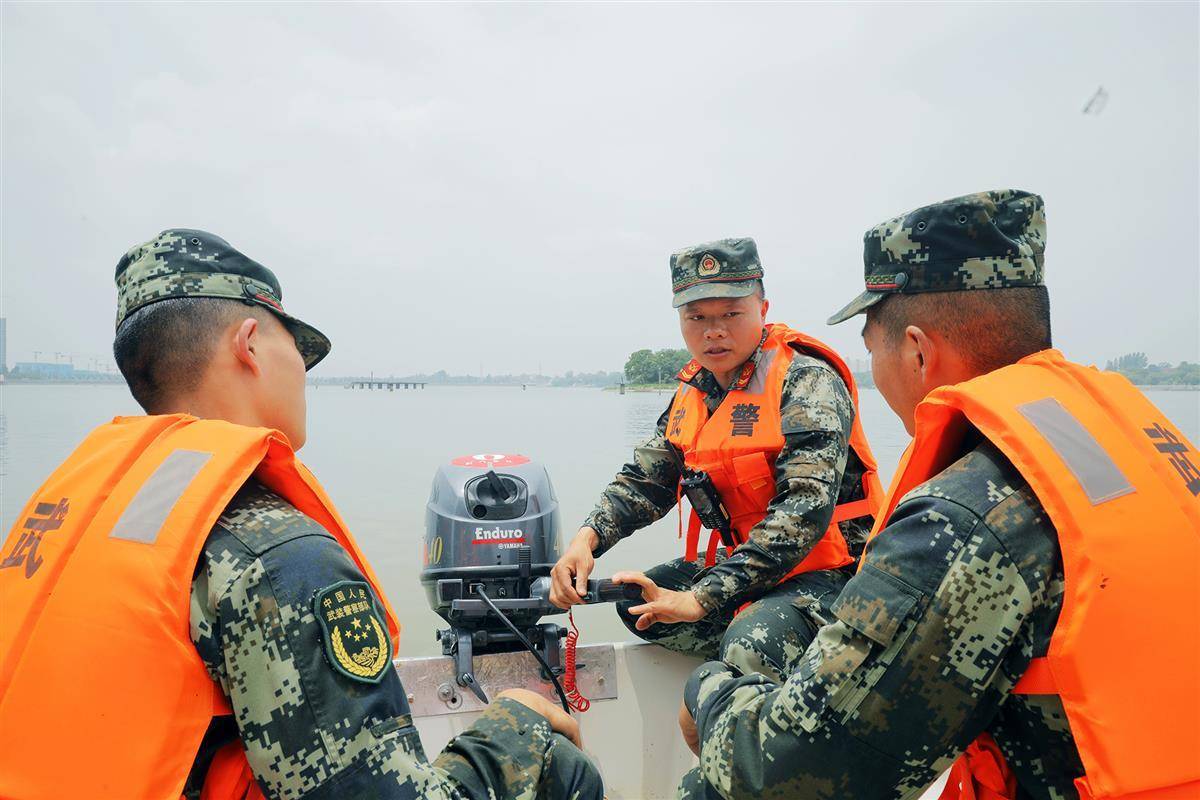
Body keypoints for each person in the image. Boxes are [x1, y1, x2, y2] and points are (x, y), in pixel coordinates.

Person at [0, 230, 603, 800]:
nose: (306, 375)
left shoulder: (74, 517)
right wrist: (514, 724)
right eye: (298, 348)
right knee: (555, 760)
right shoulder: (278, 556)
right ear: (250, 344)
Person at [676, 190, 1200, 799]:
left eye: (872, 348)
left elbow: (794, 774)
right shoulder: (1146, 444)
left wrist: (708, 688)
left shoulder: (966, 511)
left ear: (918, 350)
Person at [550, 237, 884, 684]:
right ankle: (766, 646)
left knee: (749, 642)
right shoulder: (695, 390)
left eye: (731, 314)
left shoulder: (805, 380)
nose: (714, 331)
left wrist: (703, 597)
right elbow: (645, 482)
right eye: (698, 318)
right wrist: (584, 542)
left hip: (837, 573)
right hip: (751, 566)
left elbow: (803, 511)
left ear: (762, 310)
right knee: (636, 604)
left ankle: (771, 656)